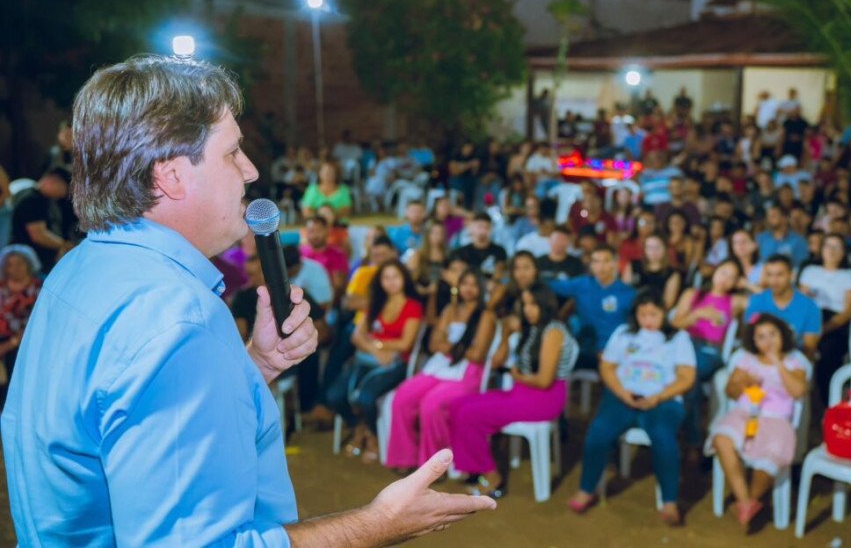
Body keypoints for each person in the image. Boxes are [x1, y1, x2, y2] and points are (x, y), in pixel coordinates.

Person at [0, 56, 493, 546]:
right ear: (171, 176)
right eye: (233, 153)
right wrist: (376, 524)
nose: (251, 170)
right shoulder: (174, 319)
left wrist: (252, 367)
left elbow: (129, 418)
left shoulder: (78, 268)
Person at [567, 290, 696, 525]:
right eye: (642, 313)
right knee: (598, 432)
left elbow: (687, 377)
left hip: (663, 399)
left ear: (664, 313)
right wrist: (622, 393)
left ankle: (669, 501)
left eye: (653, 314)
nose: (647, 319)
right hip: (623, 396)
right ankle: (587, 488)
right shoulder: (624, 334)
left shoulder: (678, 338)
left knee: (664, 437)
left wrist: (659, 396)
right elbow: (607, 366)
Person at [450, 284, 578, 497]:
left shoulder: (553, 331)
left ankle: (493, 478)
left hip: (543, 398)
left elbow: (545, 381)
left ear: (545, 305)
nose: (528, 309)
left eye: (533, 304)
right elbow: (501, 359)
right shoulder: (534, 327)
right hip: (523, 390)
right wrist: (506, 335)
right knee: (458, 405)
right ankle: (473, 468)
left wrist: (517, 375)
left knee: (469, 414)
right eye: (525, 304)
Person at [386, 269, 496, 470]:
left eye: (473, 284)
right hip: (439, 366)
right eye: (465, 283)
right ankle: (405, 456)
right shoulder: (449, 310)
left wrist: (447, 345)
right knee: (403, 396)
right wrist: (455, 348)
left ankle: (433, 464)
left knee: (432, 404)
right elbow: (434, 343)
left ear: (480, 288)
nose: (468, 289)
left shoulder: (486, 315)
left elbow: (477, 354)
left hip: (467, 372)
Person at [707, 313, 809, 527]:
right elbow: (731, 392)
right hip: (745, 414)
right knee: (722, 439)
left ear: (783, 336)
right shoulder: (746, 360)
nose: (768, 341)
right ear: (754, 341)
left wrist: (778, 364)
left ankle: (749, 500)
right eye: (761, 336)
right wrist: (742, 381)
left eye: (772, 334)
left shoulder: (794, 362)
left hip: (776, 419)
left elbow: (798, 391)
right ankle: (745, 500)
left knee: (771, 455)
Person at [327, 260, 424, 464]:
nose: (391, 282)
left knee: (366, 398)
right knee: (334, 395)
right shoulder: (375, 303)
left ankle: (372, 435)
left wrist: (373, 343)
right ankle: (358, 427)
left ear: (404, 279)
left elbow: (405, 344)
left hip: (397, 364)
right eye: (386, 277)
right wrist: (377, 349)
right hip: (368, 359)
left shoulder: (413, 306)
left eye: (395, 276)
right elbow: (356, 336)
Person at [671, 259, 747, 450]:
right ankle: (692, 436)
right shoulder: (693, 294)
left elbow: (763, 302)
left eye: (732, 277)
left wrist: (748, 284)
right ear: (714, 272)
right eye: (723, 273)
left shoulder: (735, 301)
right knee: (689, 375)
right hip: (684, 345)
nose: (725, 280)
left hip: (710, 351)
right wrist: (697, 315)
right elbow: (675, 323)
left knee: (690, 373)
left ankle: (690, 436)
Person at [549, 244, 636, 369]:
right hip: (586, 348)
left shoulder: (629, 293)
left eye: (606, 261)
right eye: (596, 261)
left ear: (615, 263)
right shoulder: (582, 284)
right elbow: (551, 286)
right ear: (591, 264)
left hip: (617, 351)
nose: (601, 267)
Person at [797, 234, 851, 401]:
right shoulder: (810, 271)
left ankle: (828, 402)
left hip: (835, 321)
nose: (831, 251)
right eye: (828, 246)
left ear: (843, 252)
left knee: (829, 354)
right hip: (810, 315)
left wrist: (823, 329)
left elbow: (847, 312)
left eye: (836, 247)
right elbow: (801, 300)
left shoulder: (850, 275)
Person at [745, 255, 822, 358]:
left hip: (793, 359)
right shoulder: (757, 300)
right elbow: (750, 337)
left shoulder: (810, 307)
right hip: (759, 356)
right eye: (769, 275)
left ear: (792, 275)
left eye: (779, 274)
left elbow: (808, 349)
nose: (774, 280)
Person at [0, 245, 42, 407]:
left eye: (19, 263)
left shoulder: (40, 288)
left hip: (26, 341)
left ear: (29, 264)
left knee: (16, 358)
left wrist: (10, 344)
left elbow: (37, 323)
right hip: (4, 341)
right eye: (10, 264)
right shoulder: (2, 288)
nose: (14, 269)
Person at [10, 166, 74, 272]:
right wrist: (65, 245)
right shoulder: (31, 199)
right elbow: (38, 234)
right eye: (64, 188)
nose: (64, 194)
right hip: (32, 265)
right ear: (53, 181)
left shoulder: (47, 201)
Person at [622, 233, 681, 310]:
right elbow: (623, 291)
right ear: (645, 249)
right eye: (650, 247)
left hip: (657, 312)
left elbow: (668, 303)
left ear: (665, 249)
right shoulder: (633, 265)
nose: (653, 251)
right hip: (632, 308)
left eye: (657, 247)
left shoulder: (672, 274)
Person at [449, 213, 508, 285]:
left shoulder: (499, 251)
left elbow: (501, 275)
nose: (483, 231)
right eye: (480, 227)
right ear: (471, 228)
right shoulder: (460, 253)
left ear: (491, 230)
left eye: (487, 227)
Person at [301, 215, 350, 298]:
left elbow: (338, 287)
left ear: (327, 231)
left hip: (328, 302)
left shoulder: (338, 254)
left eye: (318, 231)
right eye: (311, 231)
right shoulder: (300, 253)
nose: (314, 235)